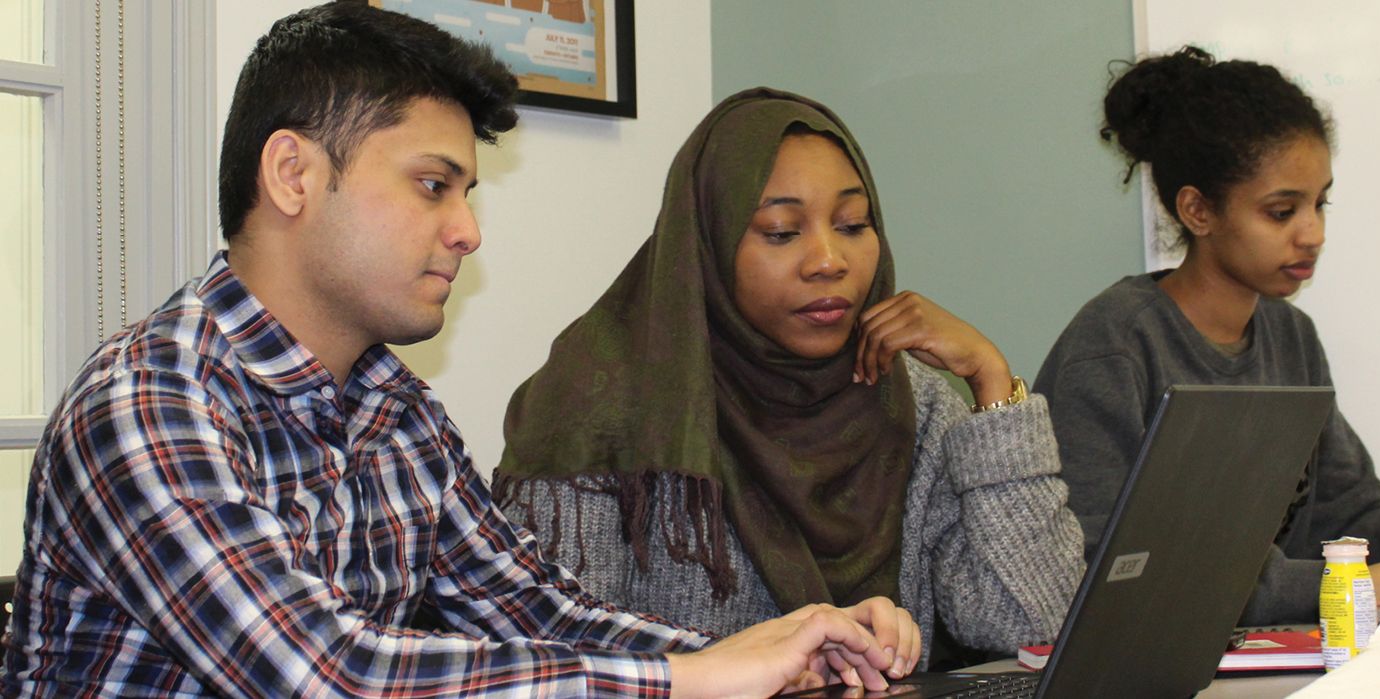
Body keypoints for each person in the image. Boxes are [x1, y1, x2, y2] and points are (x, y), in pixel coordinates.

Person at [0, 4, 914, 696]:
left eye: (466, 192)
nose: (467, 231)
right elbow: (331, 676)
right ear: (293, 176)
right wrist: (689, 683)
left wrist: (782, 644)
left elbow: (539, 611)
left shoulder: (395, 412)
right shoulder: (146, 402)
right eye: (432, 186)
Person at [491, 87, 1086, 668]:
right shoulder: (600, 404)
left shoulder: (910, 397)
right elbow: (554, 665)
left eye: (853, 225)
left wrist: (991, 382)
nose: (830, 260)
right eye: (781, 231)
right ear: (709, 245)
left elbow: (1034, 624)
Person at [1034, 46, 1380, 626]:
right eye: (1281, 212)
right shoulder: (1114, 346)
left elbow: (1343, 521)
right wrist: (1352, 586)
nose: (1312, 233)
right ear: (1198, 210)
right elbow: (1109, 571)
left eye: (1320, 203)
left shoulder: (1290, 337)